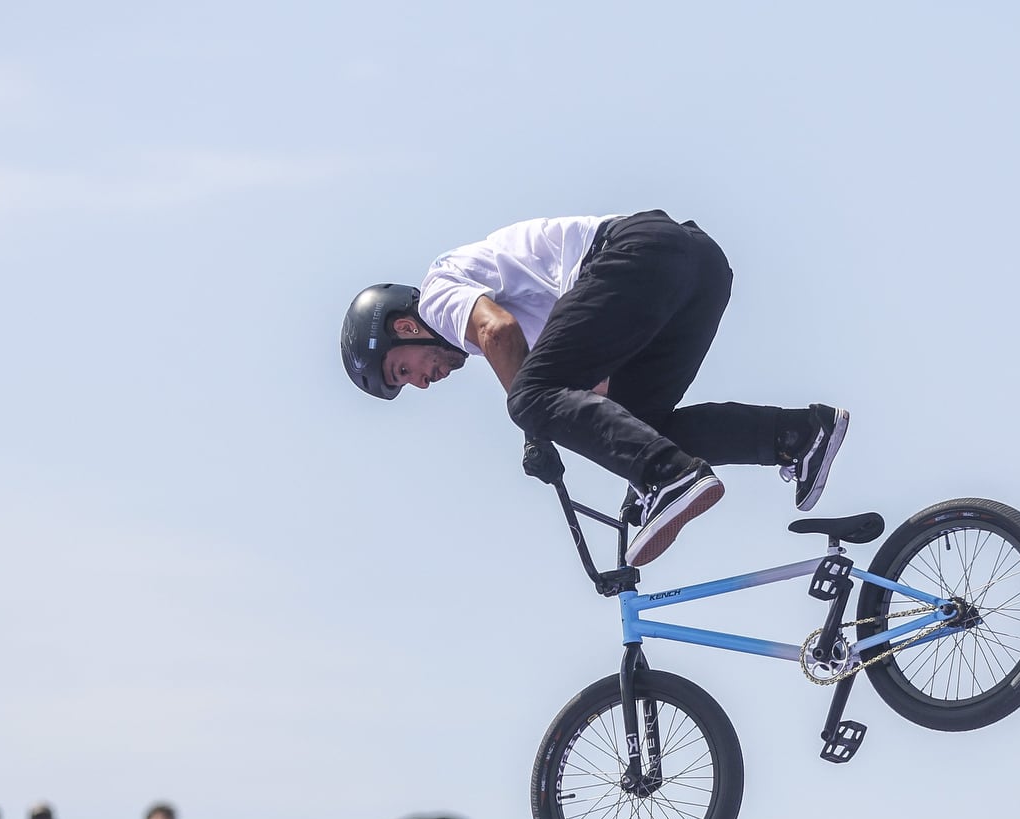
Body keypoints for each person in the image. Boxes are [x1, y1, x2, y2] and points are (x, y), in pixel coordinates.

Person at [340, 213, 852, 567]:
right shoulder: (531, 316)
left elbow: (498, 332)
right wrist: (629, 467)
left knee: (527, 400)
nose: (421, 384)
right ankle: (797, 435)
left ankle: (670, 477)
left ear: (405, 330)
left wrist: (534, 430)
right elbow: (597, 399)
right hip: (699, 267)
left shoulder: (437, 298)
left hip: (637, 254)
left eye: (402, 372)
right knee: (639, 422)